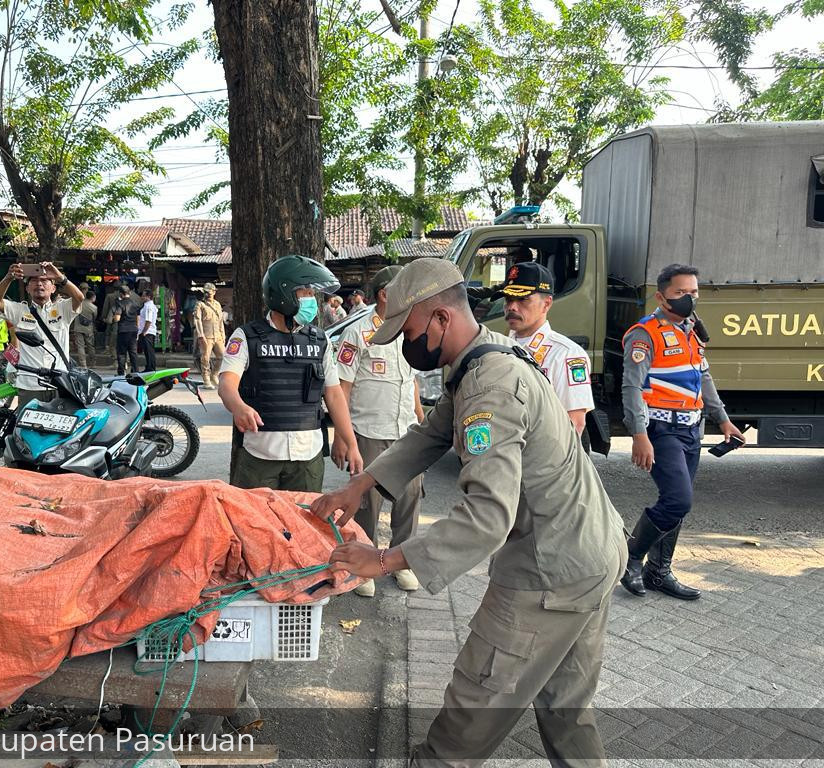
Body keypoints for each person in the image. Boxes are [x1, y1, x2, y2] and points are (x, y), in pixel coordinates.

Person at [311, 258, 626, 766]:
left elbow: (486, 517)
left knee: (465, 723)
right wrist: (361, 484)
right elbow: (431, 431)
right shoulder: (486, 357)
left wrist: (384, 561)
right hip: (590, 554)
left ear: (440, 319)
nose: (404, 345)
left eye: (408, 331)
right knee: (566, 710)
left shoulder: (490, 387)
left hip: (548, 573)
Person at [620, 263, 744, 601]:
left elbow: (703, 378)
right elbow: (631, 387)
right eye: (680, 293)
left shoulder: (691, 329)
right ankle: (630, 558)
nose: (689, 298)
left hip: (692, 430)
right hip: (662, 430)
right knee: (678, 500)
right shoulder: (645, 333)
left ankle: (659, 572)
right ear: (661, 296)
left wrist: (723, 419)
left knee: (676, 504)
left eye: (693, 293)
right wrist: (639, 434)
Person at [218, 255, 364, 492]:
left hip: (308, 456)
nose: (312, 300)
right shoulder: (246, 336)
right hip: (260, 455)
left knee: (303, 525)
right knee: (255, 526)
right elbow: (226, 383)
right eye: (305, 293)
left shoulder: (320, 340)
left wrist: (351, 443)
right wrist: (238, 406)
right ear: (283, 294)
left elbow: (335, 395)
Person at [336, 265, 424, 597]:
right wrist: (342, 438)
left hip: (407, 431)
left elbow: (411, 380)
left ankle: (402, 562)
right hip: (369, 430)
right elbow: (342, 388)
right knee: (367, 501)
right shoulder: (358, 333)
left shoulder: (410, 329)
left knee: (410, 497)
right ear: (385, 294)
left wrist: (420, 417)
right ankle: (364, 563)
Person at [499, 262, 594, 434]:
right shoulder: (499, 346)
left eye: (522, 299)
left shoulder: (566, 354)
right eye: (508, 299)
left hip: (538, 458)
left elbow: (575, 423)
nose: (512, 307)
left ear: (547, 304)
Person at [0, 262, 83, 405]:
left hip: (60, 384)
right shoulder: (19, 311)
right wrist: (9, 277)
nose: (39, 284)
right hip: (29, 385)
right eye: (34, 280)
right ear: (27, 288)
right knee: (27, 427)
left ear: (53, 288)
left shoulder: (62, 309)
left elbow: (79, 297)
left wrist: (59, 277)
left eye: (44, 280)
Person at [193, 282, 226, 389]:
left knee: (222, 356)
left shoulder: (217, 304)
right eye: (206, 292)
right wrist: (200, 335)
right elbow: (197, 320)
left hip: (217, 335)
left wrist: (223, 334)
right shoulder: (200, 304)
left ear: (214, 292)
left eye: (210, 291)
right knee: (205, 358)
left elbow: (220, 321)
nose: (208, 294)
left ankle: (214, 375)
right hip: (206, 335)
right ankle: (206, 379)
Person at [111, 284, 142, 375]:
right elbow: (138, 318)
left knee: (121, 353)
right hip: (133, 330)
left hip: (123, 330)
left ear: (121, 293)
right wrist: (137, 330)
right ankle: (136, 371)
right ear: (129, 293)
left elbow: (117, 318)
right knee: (133, 352)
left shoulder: (120, 304)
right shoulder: (135, 303)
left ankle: (121, 372)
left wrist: (113, 316)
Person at [71, 289, 98, 369]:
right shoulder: (94, 308)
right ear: (93, 298)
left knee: (80, 346)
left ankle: (83, 365)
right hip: (88, 329)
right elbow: (94, 318)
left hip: (78, 328)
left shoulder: (79, 304)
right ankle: (93, 363)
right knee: (90, 346)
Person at [138, 287, 158, 372]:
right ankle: (149, 367)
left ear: (148, 296)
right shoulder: (148, 306)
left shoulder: (149, 306)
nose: (142, 297)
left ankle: (150, 368)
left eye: (143, 296)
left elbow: (148, 320)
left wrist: (144, 331)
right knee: (147, 351)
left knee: (149, 351)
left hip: (148, 332)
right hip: (148, 331)